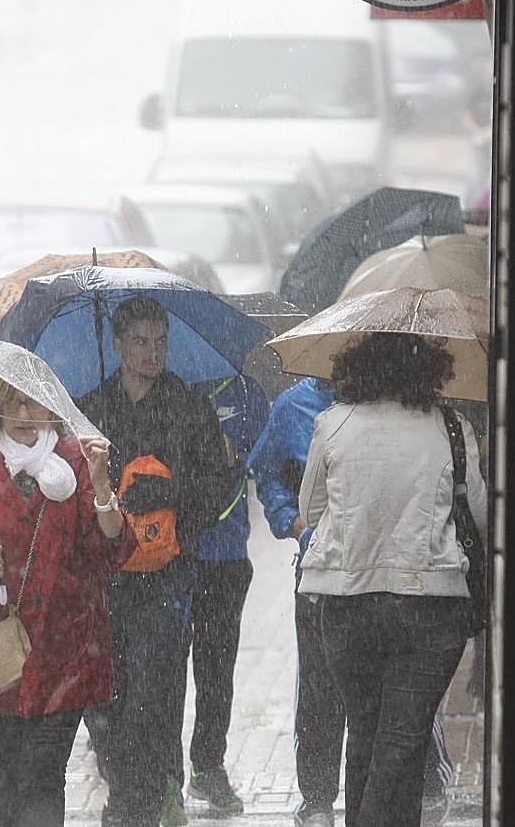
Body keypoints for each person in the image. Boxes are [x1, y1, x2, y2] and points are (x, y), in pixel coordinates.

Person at [250, 375, 457, 827]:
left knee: (393, 698)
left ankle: (419, 787)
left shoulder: (400, 402)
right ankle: (320, 798)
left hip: (391, 578)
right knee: (322, 691)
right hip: (326, 576)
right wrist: (298, 527)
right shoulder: (297, 407)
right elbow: (269, 475)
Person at [297, 334, 486, 827]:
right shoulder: (449, 426)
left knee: (365, 731)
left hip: (347, 603)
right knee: (403, 739)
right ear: (429, 370)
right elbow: (481, 516)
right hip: (429, 603)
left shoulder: (332, 423)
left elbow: (311, 509)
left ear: (356, 368)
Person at [0, 376, 135, 827]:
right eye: (14, 404)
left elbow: (111, 552)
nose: (25, 416)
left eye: (35, 404)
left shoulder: (76, 464)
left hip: (69, 650)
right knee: (6, 775)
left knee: (43, 773)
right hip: (1, 654)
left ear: (52, 410)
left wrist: (102, 489)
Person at [77, 295, 237, 827]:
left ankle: (142, 798)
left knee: (155, 687)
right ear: (117, 344)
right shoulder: (91, 408)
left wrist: (170, 494)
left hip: (168, 574)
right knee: (106, 694)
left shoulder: (189, 405)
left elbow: (218, 484)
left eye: (160, 341)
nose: (152, 352)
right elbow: (74, 493)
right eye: (140, 341)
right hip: (106, 576)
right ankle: (127, 781)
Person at [170, 373, 269, 817]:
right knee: (165, 673)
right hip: (171, 556)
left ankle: (208, 766)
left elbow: (268, 459)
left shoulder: (247, 393)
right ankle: (164, 775)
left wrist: (237, 455)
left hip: (227, 556)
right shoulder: (170, 389)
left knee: (215, 672)